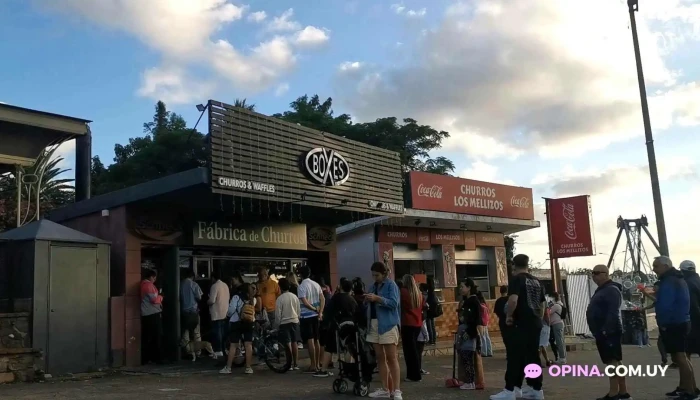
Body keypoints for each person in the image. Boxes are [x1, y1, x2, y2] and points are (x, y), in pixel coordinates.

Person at [491, 254, 545, 400]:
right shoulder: (537, 281)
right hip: (535, 323)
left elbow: (513, 300)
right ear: (528, 264)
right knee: (533, 356)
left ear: (514, 265)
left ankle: (510, 390)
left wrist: (509, 316)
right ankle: (536, 388)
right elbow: (542, 304)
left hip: (521, 323)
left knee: (515, 357)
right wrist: (538, 318)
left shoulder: (517, 279)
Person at [651, 256, 697, 399]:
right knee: (681, 357)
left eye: (656, 266)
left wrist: (663, 323)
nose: (654, 269)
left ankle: (690, 392)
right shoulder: (676, 278)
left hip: (674, 323)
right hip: (680, 321)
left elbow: (666, 304)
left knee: (681, 357)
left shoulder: (670, 281)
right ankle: (687, 388)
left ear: (665, 266)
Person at [586, 264, 631, 400]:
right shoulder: (603, 289)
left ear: (606, 274)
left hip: (608, 331)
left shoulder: (611, 290)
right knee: (614, 361)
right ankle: (622, 393)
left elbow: (613, 312)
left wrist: (606, 330)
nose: (594, 275)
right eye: (592, 273)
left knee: (612, 362)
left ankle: (614, 393)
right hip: (604, 331)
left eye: (597, 273)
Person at [365, 262, 402, 400]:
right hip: (374, 323)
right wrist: (367, 299)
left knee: (391, 357)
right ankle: (386, 389)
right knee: (380, 357)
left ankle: (397, 390)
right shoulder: (373, 286)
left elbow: (394, 303)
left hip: (388, 324)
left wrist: (377, 298)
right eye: (373, 275)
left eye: (377, 275)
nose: (375, 278)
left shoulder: (391, 285)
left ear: (384, 274)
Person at [314, 278, 357, 378]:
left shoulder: (336, 298)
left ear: (341, 287)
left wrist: (325, 322)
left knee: (329, 348)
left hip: (335, 327)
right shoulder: (352, 300)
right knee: (348, 347)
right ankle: (348, 370)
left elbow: (328, 311)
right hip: (350, 328)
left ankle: (323, 369)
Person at [220, 283, 256, 375]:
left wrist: (227, 316)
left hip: (236, 322)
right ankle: (248, 367)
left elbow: (231, 310)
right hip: (248, 322)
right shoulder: (253, 299)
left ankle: (228, 368)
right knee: (248, 345)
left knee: (233, 345)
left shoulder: (236, 297)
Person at [297, 265, 325, 373]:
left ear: (301, 274)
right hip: (316, 316)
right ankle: (317, 364)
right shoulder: (316, 284)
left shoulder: (301, 286)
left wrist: (314, 309)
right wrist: (320, 311)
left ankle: (313, 364)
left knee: (310, 340)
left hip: (306, 316)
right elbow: (322, 298)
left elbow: (304, 302)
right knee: (316, 339)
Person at [457, 278, 484, 390]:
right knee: (464, 357)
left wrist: (470, 333)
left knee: (468, 358)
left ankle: (470, 382)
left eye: (462, 287)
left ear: (469, 288)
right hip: (465, 331)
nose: (461, 289)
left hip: (470, 332)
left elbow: (476, 319)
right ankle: (468, 381)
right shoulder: (466, 300)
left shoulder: (473, 301)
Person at [400, 275, 424, 383]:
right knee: (414, 350)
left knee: (408, 351)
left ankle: (413, 375)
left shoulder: (403, 292)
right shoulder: (418, 293)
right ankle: (416, 372)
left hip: (407, 323)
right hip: (417, 324)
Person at [275, 278, 301, 371]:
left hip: (284, 323)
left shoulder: (279, 299)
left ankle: (289, 364)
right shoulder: (294, 296)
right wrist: (297, 319)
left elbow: (278, 314)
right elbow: (298, 310)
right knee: (295, 342)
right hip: (295, 321)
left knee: (287, 343)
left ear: (280, 287)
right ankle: (296, 363)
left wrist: (277, 325)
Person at [140, 269, 163, 364]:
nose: (155, 279)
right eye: (154, 277)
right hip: (152, 314)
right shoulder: (149, 285)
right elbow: (154, 300)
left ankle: (146, 358)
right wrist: (161, 297)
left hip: (146, 314)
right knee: (156, 336)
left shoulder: (142, 285)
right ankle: (157, 358)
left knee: (147, 337)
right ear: (151, 277)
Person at [680, 260, 700, 360]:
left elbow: (692, 305)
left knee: (686, 351)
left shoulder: (687, 283)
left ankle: (688, 375)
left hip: (693, 321)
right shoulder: (697, 280)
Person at [208, 272, 230, 358]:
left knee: (217, 332)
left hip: (217, 313)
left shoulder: (214, 286)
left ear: (213, 278)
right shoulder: (225, 285)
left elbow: (212, 300)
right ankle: (224, 348)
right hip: (225, 312)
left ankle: (218, 350)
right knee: (224, 332)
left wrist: (207, 301)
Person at [180, 269, 203, 348]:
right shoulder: (194, 284)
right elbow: (199, 297)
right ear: (192, 276)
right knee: (196, 333)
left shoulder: (180, 284)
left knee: (185, 332)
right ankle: (198, 351)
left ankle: (187, 351)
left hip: (184, 312)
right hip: (193, 311)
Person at [493, 285, 512, 359]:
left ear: (500, 291)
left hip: (502, 321)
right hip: (510, 320)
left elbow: (496, 312)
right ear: (507, 291)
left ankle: (508, 353)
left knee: (505, 338)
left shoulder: (498, 301)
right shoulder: (510, 299)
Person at [548, 292, 567, 364]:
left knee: (559, 341)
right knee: (561, 341)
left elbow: (548, 312)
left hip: (557, 324)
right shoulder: (560, 304)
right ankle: (563, 357)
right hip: (559, 324)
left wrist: (549, 306)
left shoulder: (556, 305)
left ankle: (562, 358)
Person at [476, 291, 493, 357]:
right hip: (486, 321)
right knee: (486, 336)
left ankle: (484, 352)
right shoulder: (484, 304)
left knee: (482, 337)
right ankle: (489, 351)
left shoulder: (479, 305)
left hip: (481, 322)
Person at [426, 278, 439, 345]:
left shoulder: (429, 292)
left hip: (429, 311)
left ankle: (431, 340)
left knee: (429, 325)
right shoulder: (433, 291)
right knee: (433, 326)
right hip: (433, 310)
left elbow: (428, 301)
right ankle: (434, 340)